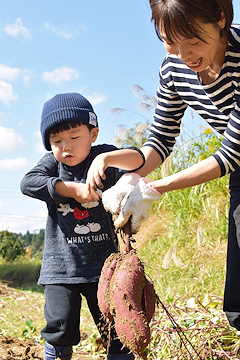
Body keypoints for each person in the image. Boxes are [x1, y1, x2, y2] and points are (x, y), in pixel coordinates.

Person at [86, 0, 240, 332]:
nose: (184, 54)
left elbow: (230, 155)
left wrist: (154, 187)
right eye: (170, 41)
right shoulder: (173, 69)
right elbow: (159, 142)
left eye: (194, 40)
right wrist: (114, 162)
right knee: (238, 299)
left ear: (222, 19)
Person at [20, 93, 145, 360]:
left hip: (105, 269)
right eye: (56, 141)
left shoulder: (103, 157)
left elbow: (138, 159)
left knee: (115, 327)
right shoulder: (53, 166)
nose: (66, 147)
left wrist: (106, 161)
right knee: (59, 328)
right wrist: (71, 189)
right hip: (60, 269)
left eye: (75, 137)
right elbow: (28, 183)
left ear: (93, 134)